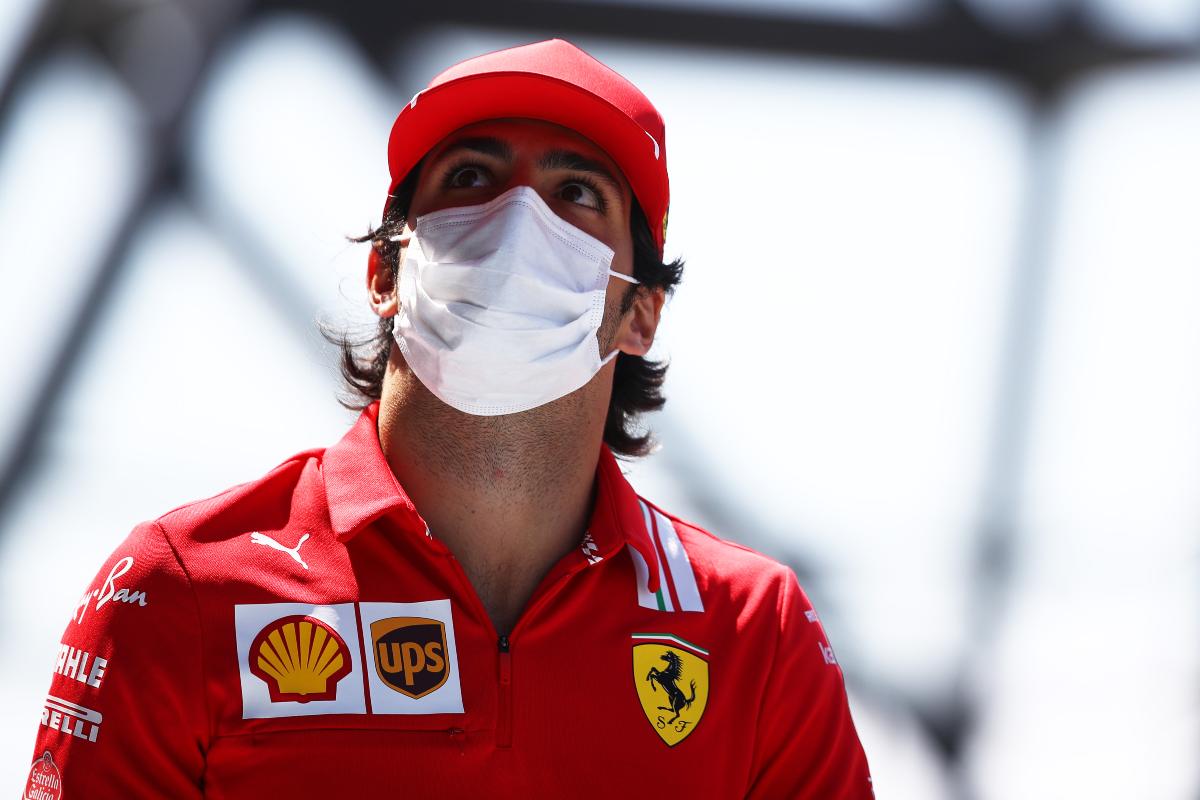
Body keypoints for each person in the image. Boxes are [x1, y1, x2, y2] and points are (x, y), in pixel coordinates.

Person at [26, 39, 872, 798]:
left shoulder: (756, 633)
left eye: (575, 192)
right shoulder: (179, 592)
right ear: (384, 273)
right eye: (471, 176)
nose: (518, 220)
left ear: (639, 314)